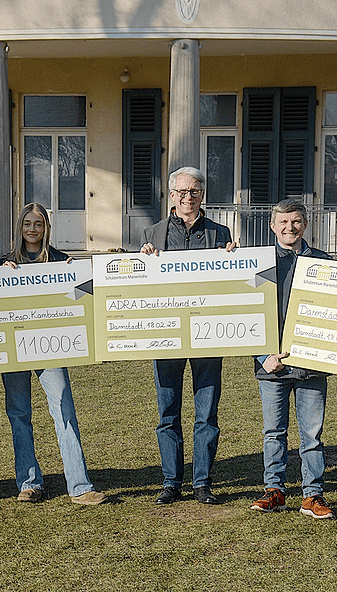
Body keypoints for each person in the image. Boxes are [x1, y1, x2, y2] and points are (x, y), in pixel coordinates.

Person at [0, 204, 106, 506]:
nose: (33, 229)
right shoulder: (3, 262)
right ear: (20, 227)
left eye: (39, 224)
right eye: (28, 223)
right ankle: (29, 483)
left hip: (51, 349)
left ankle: (80, 486)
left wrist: (75, 272)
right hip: (15, 350)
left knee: (64, 412)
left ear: (46, 228)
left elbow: (84, 296)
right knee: (19, 416)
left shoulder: (61, 260)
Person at [140, 166, 236, 505]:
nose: (188, 197)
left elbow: (232, 284)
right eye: (182, 191)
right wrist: (143, 261)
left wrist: (234, 259)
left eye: (194, 191)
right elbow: (141, 286)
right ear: (171, 195)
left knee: (206, 413)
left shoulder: (221, 233)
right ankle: (171, 481)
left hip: (208, 336)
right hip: (166, 336)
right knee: (168, 412)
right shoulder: (152, 233)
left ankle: (202, 483)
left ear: (202, 194)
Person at [250, 198, 334, 519]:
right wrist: (262, 355)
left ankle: (313, 495)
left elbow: (335, 315)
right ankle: (275, 490)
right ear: (273, 226)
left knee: (312, 436)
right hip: (272, 364)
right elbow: (246, 313)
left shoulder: (325, 263)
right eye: (283, 222)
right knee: (273, 432)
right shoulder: (259, 264)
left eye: (296, 221)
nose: (290, 227)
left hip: (311, 366)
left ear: (305, 225)